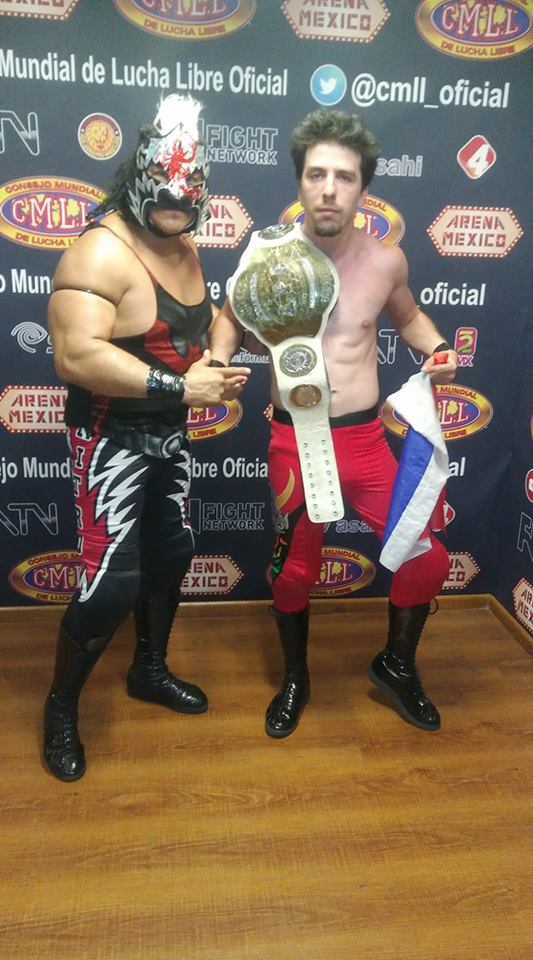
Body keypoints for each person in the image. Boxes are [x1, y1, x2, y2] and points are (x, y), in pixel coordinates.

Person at [210, 108, 457, 739]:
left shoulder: (386, 261)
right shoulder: (266, 255)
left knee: (426, 556)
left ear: (363, 188)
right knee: (294, 572)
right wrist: (216, 359)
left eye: (344, 177)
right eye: (316, 174)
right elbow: (229, 318)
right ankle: (297, 678)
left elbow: (409, 317)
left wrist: (436, 348)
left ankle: (396, 665)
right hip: (295, 440)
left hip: (367, 441)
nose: (328, 189)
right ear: (299, 181)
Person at [43, 94, 250, 781]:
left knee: (171, 556)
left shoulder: (183, 245)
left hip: (169, 437)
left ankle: (148, 670)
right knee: (110, 584)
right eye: (164, 193)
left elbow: (199, 327)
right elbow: (75, 355)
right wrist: (181, 389)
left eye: (187, 199)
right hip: (110, 439)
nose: (174, 207)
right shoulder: (100, 251)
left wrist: (226, 352)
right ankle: (60, 708)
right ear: (138, 176)